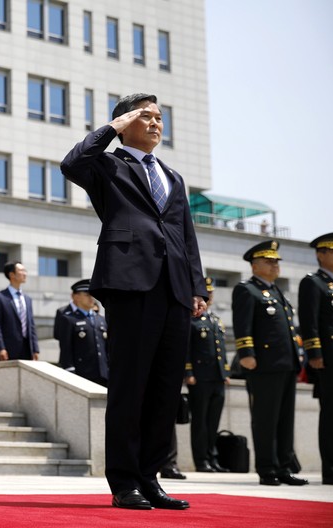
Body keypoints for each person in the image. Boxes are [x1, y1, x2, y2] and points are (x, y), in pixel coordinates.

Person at [61, 93, 207, 511]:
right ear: (126, 122)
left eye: (160, 117)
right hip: (130, 284)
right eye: (147, 117)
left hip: (175, 289)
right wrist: (112, 129)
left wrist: (197, 286)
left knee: (164, 388)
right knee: (131, 387)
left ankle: (151, 476)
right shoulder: (108, 165)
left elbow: (185, 235)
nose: (157, 124)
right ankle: (124, 481)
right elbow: (71, 164)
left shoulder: (173, 176)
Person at [232, 240, 307, 486]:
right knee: (265, 419)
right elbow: (243, 325)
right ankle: (267, 469)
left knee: (285, 420)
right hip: (263, 365)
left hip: (286, 364)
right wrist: (246, 354)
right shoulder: (247, 290)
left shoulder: (276, 292)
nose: (275, 265)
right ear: (254, 266)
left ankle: (284, 467)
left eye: (276, 261)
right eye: (269, 260)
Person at [298, 233, 333, 485]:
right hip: (328, 359)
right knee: (331, 414)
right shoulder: (313, 283)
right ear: (320, 254)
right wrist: (315, 353)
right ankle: (330, 468)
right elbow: (309, 321)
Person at [186, 277, 230, 472]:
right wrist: (188, 372)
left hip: (217, 377)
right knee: (200, 422)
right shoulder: (192, 319)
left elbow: (222, 349)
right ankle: (201, 460)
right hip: (200, 377)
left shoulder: (216, 320)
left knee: (213, 421)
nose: (209, 296)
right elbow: (186, 348)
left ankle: (213, 458)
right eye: (206, 293)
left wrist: (225, 372)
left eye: (211, 293)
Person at [54, 279, 108, 386]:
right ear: (76, 297)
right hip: (82, 374)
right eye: (87, 294)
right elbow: (66, 348)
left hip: (104, 374)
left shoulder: (101, 320)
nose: (91, 298)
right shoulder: (69, 319)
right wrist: (69, 370)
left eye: (93, 295)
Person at [0, 262, 39, 362]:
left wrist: (35, 348)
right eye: (21, 271)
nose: (25, 273)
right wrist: (0, 348)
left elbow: (31, 325)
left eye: (25, 270)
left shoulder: (28, 299)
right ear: (12, 275)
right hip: (8, 349)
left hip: (28, 348)